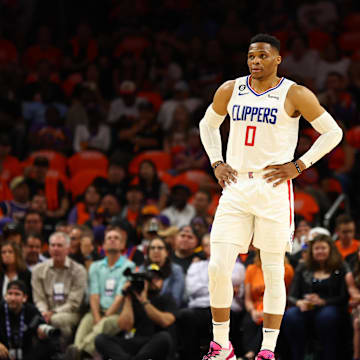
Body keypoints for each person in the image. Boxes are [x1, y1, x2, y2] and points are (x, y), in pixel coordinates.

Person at [198, 33, 343, 360]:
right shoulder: (230, 89)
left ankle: (267, 350)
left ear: (278, 59)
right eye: (251, 56)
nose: (255, 62)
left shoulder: (295, 93)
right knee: (218, 267)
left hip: (273, 189)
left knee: (274, 269)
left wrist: (299, 165)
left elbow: (333, 132)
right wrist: (216, 162)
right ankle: (222, 345)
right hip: (235, 187)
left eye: (262, 56)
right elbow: (208, 125)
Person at [68, 227, 135, 359]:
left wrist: (104, 317)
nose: (112, 240)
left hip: (117, 314)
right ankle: (77, 351)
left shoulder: (129, 266)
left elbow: (120, 296)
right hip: (96, 311)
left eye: (116, 238)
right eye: (109, 238)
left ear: (122, 245)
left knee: (104, 324)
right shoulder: (95, 266)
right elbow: (94, 294)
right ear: (103, 245)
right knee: (85, 324)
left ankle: (77, 352)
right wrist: (97, 315)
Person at [282, 235, 349, 360]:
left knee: (326, 317)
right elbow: (291, 296)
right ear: (312, 251)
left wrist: (323, 301)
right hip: (307, 307)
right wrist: (299, 303)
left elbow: (344, 297)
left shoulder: (340, 266)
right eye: (317, 248)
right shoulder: (303, 267)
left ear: (330, 250)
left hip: (331, 307)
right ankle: (297, 356)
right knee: (291, 316)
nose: (320, 251)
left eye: (323, 248)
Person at [94, 264, 178, 360]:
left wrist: (144, 301)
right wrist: (128, 297)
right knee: (100, 339)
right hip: (135, 341)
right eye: (149, 278)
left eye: (156, 278)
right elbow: (125, 326)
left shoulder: (167, 298)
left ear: (162, 281)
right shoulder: (134, 298)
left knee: (164, 337)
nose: (152, 281)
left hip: (154, 342)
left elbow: (166, 321)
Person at [31, 232, 87, 345]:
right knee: (34, 321)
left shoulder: (78, 270)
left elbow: (74, 303)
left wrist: (53, 313)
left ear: (68, 249)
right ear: (49, 248)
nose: (56, 249)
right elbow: (39, 299)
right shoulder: (38, 270)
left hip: (72, 313)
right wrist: (44, 313)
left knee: (57, 320)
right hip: (45, 312)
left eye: (60, 245)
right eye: (53, 245)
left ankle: (63, 353)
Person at [0, 280, 61, 360]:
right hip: (4, 353)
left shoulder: (31, 310)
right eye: (10, 294)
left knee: (49, 344)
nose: (13, 298)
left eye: (17, 294)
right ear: (5, 296)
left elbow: (42, 327)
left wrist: (42, 334)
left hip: (26, 354)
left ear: (25, 298)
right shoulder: (0, 308)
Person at [141, 237, 185, 307]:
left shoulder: (176, 270)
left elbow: (176, 300)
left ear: (167, 252)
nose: (156, 251)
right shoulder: (143, 269)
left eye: (160, 248)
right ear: (148, 253)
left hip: (168, 310)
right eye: (152, 248)